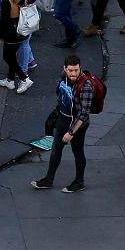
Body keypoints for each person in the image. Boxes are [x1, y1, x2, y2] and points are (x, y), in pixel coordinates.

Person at [32, 55, 93, 193]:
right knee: (56, 150)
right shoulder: (63, 76)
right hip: (63, 118)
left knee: (78, 152)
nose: (73, 73)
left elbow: (84, 114)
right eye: (70, 70)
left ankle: (79, 181)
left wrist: (71, 132)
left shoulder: (86, 85)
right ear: (65, 69)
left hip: (77, 124)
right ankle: (49, 179)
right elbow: (60, 94)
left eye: (76, 70)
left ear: (80, 68)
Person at [0, 0, 31, 93]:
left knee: (7, 57)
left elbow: (4, 20)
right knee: (12, 56)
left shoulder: (6, 0)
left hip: (10, 34)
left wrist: (0, 35)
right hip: (22, 32)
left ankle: (24, 79)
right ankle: (10, 80)